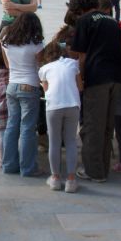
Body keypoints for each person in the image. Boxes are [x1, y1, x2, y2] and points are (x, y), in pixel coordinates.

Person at [70, 0, 121, 183]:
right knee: (108, 126)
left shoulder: (85, 21)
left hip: (96, 78)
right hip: (115, 77)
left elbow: (81, 55)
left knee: (93, 125)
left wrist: (80, 80)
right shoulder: (112, 21)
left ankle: (93, 171)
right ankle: (103, 167)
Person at [1, 12, 44, 177]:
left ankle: (9, 165)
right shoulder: (36, 44)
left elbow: (7, 64)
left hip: (12, 85)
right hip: (29, 85)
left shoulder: (6, 42)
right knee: (27, 128)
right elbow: (40, 65)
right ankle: (28, 168)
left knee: (12, 125)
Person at [38, 41, 81, 193]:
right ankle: (71, 180)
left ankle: (55, 178)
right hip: (72, 104)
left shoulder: (44, 69)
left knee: (54, 142)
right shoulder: (72, 64)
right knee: (70, 141)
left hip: (54, 106)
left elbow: (46, 90)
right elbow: (79, 86)